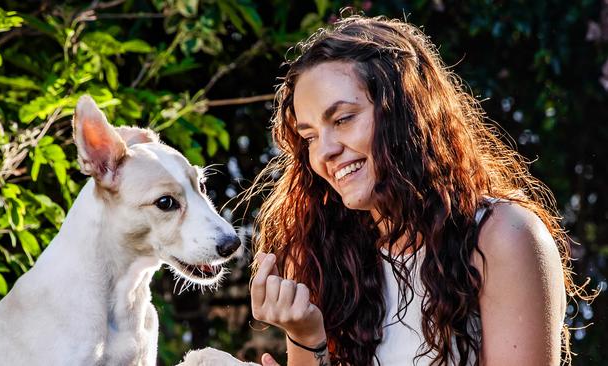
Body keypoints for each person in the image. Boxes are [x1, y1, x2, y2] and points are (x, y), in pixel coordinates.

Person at [247, 14, 592, 366]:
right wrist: (307, 339)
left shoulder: (503, 236)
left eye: (343, 119)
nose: (324, 151)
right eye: (309, 137)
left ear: (406, 114)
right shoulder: (326, 253)